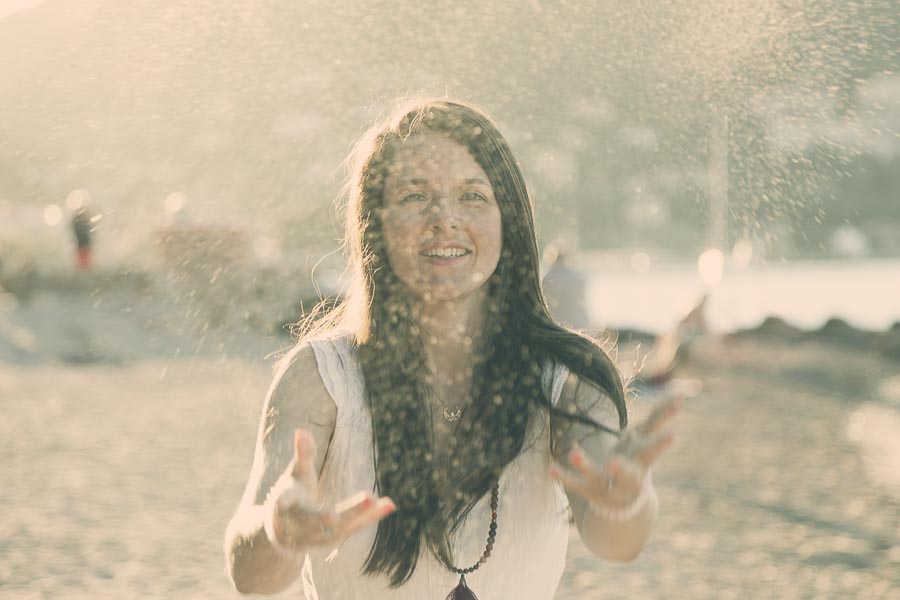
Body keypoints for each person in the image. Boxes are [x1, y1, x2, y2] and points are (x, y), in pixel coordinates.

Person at [224, 99, 682, 599]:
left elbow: (616, 541)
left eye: (472, 196)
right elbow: (250, 575)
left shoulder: (567, 377)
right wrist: (280, 530)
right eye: (415, 196)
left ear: (508, 220)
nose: (444, 219)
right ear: (375, 225)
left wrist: (625, 502)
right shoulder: (322, 377)